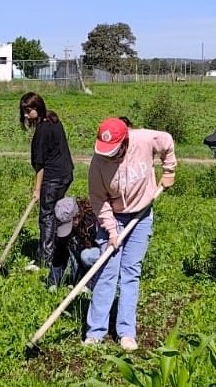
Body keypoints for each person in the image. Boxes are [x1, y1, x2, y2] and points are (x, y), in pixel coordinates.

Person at [85, 117, 176, 351]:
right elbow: (98, 199)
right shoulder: (98, 163)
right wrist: (111, 229)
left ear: (125, 142)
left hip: (141, 215)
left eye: (114, 151)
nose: (108, 156)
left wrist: (169, 170)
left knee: (130, 272)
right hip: (113, 215)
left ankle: (126, 332)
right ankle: (96, 332)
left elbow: (167, 143)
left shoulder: (144, 140)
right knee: (106, 272)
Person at [21, 92, 74, 285]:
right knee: (58, 214)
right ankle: (62, 251)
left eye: (29, 110)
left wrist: (37, 189)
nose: (26, 115)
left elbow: (40, 165)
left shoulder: (42, 131)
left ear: (38, 107)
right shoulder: (53, 118)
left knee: (47, 215)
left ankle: (46, 258)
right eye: (24, 111)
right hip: (66, 173)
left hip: (53, 177)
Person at [47, 196, 101, 292]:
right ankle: (80, 283)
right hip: (82, 262)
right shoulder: (68, 227)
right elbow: (60, 253)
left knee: (86, 256)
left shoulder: (94, 221)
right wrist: (53, 283)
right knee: (73, 247)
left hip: (102, 258)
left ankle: (93, 286)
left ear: (77, 216)